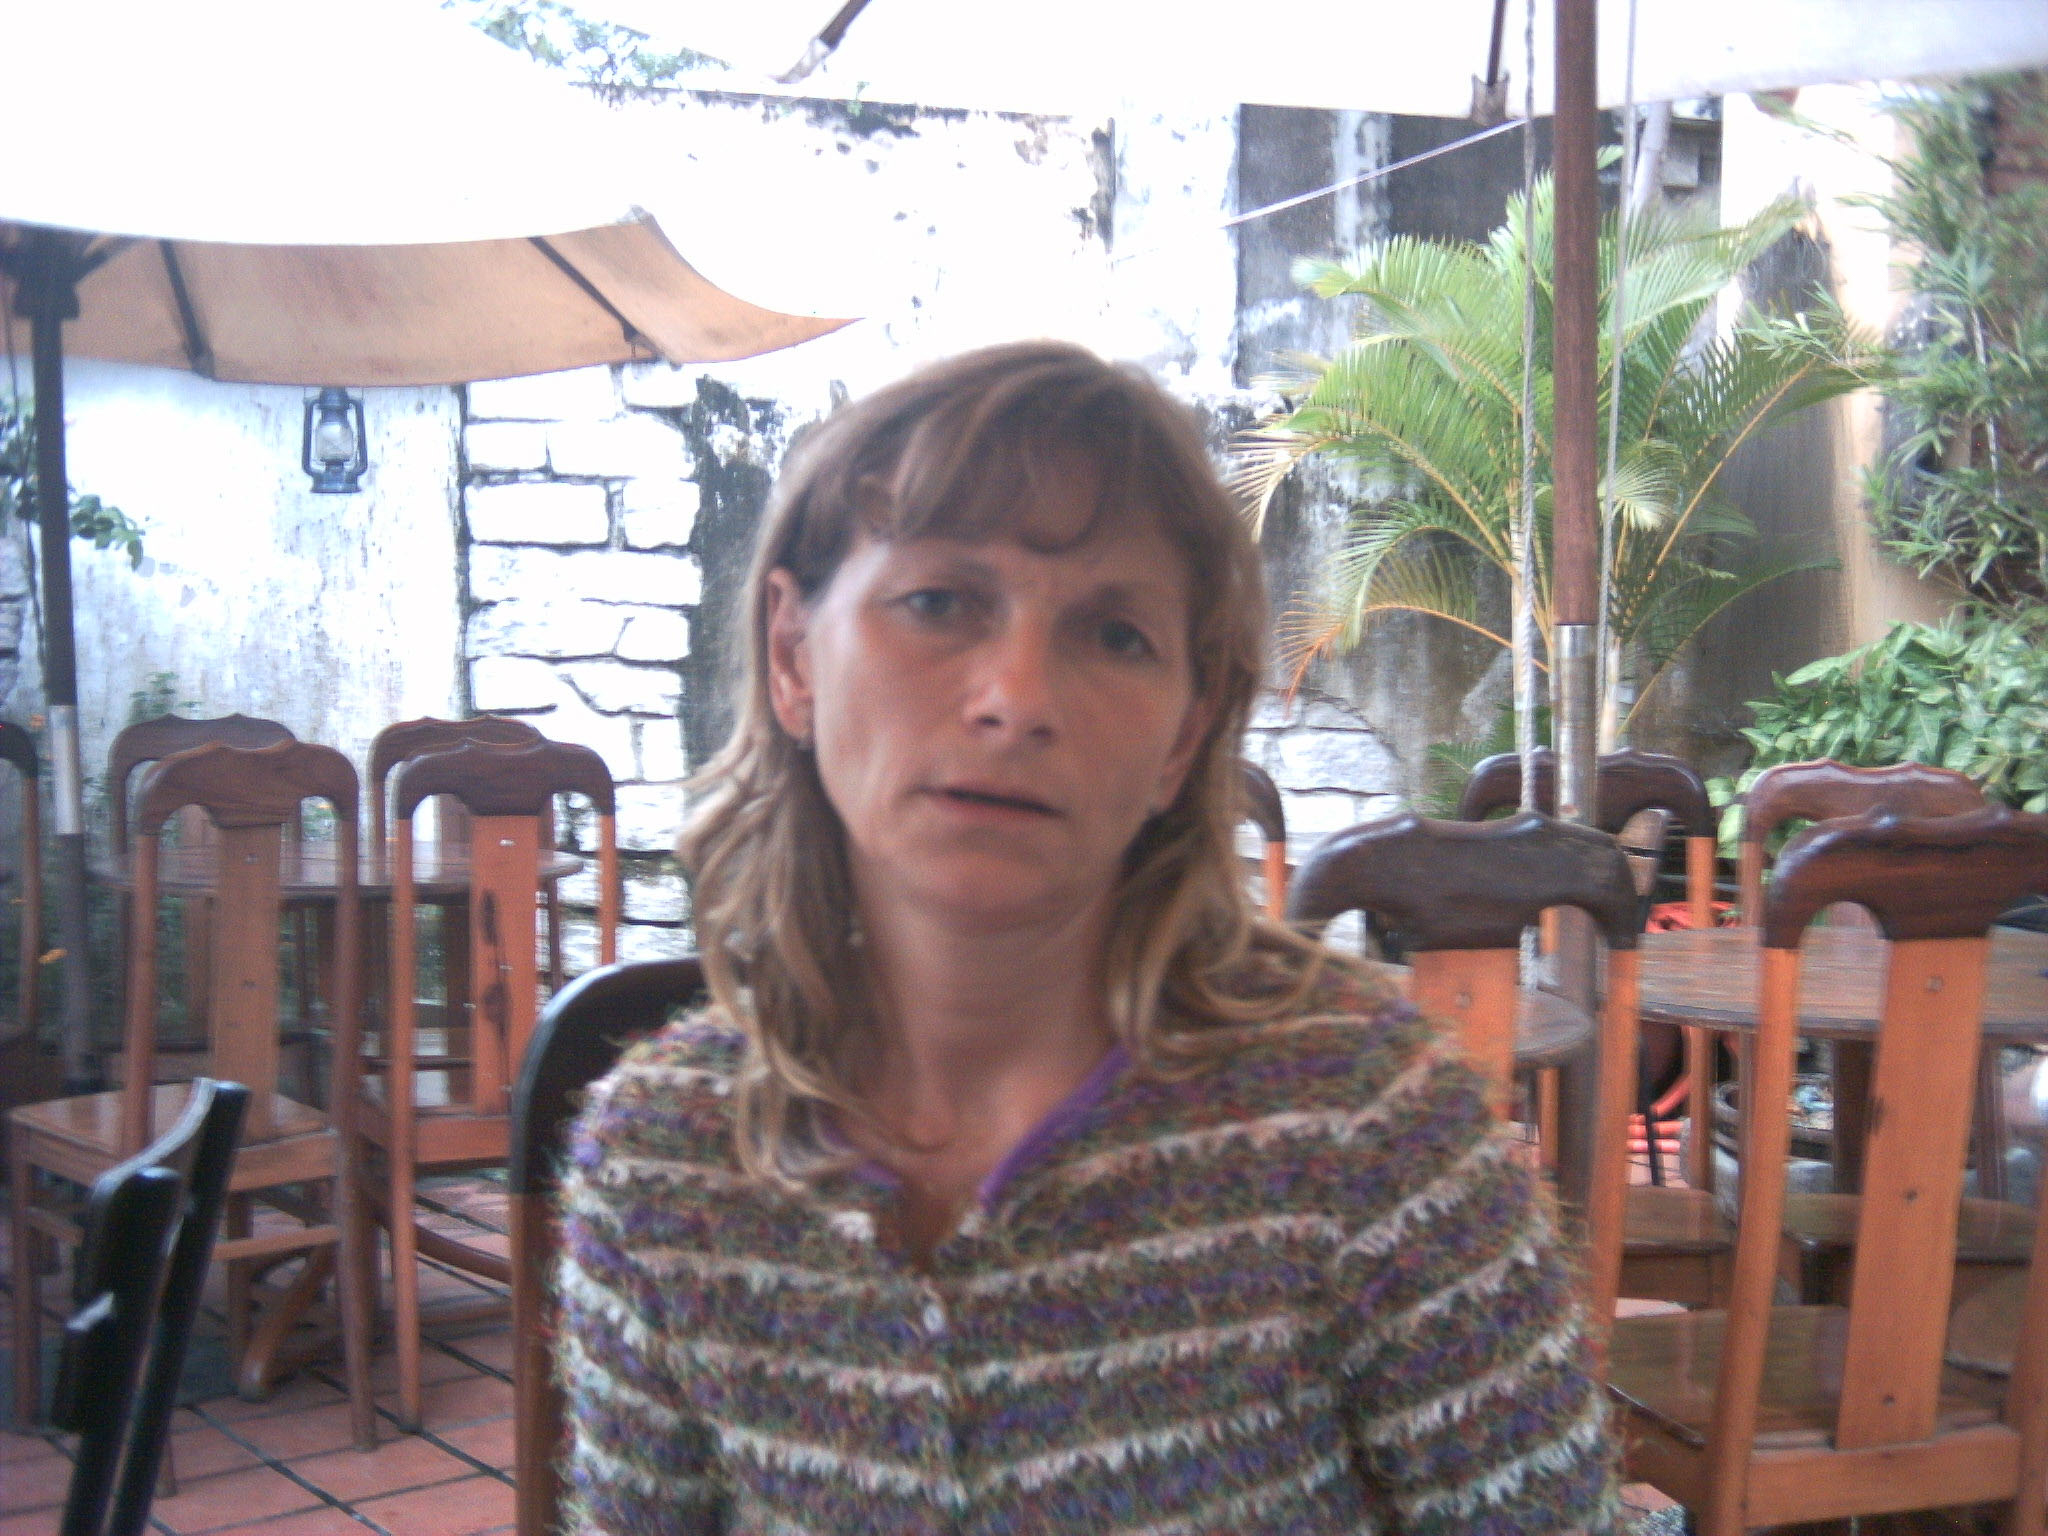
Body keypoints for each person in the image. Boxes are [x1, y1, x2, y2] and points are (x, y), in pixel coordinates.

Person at [553, 341, 1617, 1535]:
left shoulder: (1370, 1128)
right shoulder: (662, 1163)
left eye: (1113, 634)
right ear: (794, 655)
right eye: (939, 602)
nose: (1016, 698)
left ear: (1184, 735)